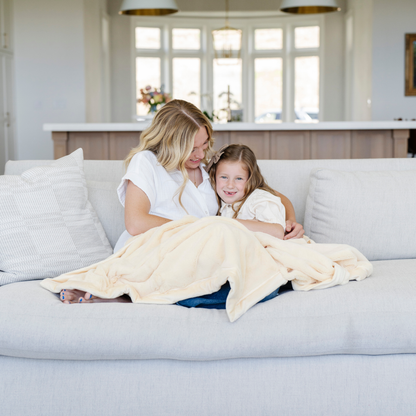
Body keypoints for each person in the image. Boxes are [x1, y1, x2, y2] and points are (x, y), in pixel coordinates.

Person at [60, 100, 304, 304]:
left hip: (198, 255)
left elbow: (267, 192)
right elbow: (135, 222)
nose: (200, 154)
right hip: (153, 248)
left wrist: (290, 220)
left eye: (205, 144)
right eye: (191, 148)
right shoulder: (147, 163)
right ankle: (122, 292)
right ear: (170, 143)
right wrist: (201, 229)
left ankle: (130, 295)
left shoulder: (209, 171)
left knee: (252, 272)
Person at [208, 143, 286, 239]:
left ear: (250, 179)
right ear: (214, 176)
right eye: (224, 177)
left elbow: (277, 232)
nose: (230, 185)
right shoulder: (216, 199)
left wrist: (227, 222)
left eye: (239, 179)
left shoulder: (258, 199)